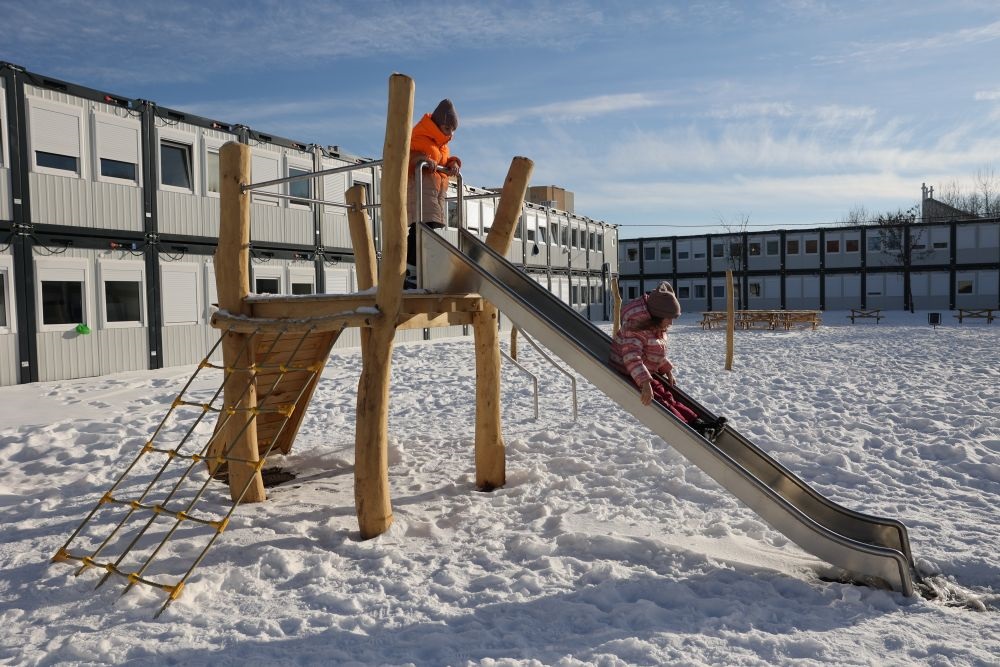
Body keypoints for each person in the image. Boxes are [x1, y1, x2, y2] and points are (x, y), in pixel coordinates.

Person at [610, 281, 725, 439]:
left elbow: (654, 353)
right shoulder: (635, 329)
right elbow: (632, 358)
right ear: (656, 316)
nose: (671, 323)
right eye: (669, 318)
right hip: (630, 371)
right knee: (659, 401)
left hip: (644, 370)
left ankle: (698, 424)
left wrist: (667, 370)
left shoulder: (655, 328)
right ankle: (690, 429)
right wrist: (645, 384)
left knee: (668, 396)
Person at [405, 99, 461, 288]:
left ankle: (421, 268)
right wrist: (421, 158)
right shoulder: (419, 135)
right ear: (438, 124)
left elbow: (443, 159)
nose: (450, 134)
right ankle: (410, 270)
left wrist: (453, 163)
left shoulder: (441, 145)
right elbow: (407, 155)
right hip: (419, 189)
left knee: (428, 231)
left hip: (434, 193)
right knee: (419, 229)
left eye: (453, 130)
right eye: (447, 128)